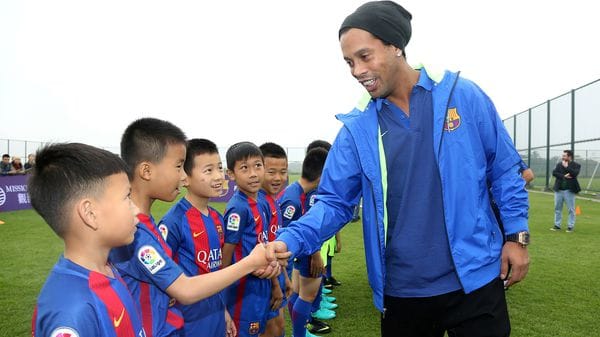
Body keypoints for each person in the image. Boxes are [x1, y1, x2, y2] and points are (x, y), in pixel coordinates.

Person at [268, 2, 530, 336]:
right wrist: (290, 238)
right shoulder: (356, 129)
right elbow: (333, 203)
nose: (356, 70)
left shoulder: (461, 96)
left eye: (365, 56)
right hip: (403, 292)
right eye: (349, 62)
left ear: (396, 47)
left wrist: (517, 237)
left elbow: (505, 170)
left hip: (476, 279)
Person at [110, 119, 284, 337]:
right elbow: (184, 289)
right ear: (146, 170)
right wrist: (251, 263)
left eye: (218, 168)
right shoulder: (134, 231)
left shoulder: (148, 223)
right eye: (178, 166)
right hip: (183, 324)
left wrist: (222, 309)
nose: (183, 177)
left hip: (206, 317)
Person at [30, 143, 146, 337]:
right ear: (90, 213)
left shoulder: (107, 268)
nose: (137, 210)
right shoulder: (72, 312)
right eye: (127, 197)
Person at [158, 139, 235, 337]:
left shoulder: (217, 218)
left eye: (219, 168)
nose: (218, 176)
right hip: (187, 322)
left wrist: (224, 311)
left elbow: (214, 272)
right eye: (208, 170)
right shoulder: (173, 222)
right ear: (185, 177)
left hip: (215, 314)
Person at [221, 141, 277, 337]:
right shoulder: (238, 208)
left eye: (257, 166)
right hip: (242, 291)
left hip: (261, 283)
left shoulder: (261, 201)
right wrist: (221, 298)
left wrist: (275, 282)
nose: (253, 173)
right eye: (244, 168)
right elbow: (226, 255)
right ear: (231, 174)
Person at [279, 147, 331, 337]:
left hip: (303, 253)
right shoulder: (294, 200)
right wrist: (315, 254)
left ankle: (299, 331)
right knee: (306, 295)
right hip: (305, 254)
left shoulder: (297, 192)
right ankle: (299, 333)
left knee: (299, 292)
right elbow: (288, 234)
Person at [258, 142, 291, 337]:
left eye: (283, 172)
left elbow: (275, 246)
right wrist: (275, 285)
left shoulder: (273, 200)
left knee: (279, 327)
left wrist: (285, 277)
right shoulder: (258, 204)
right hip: (266, 282)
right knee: (272, 330)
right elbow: (263, 253)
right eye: (271, 172)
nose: (278, 178)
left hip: (277, 276)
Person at [551, 149, 581, 232]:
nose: (562, 157)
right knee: (557, 208)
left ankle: (570, 226)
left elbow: (575, 174)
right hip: (559, 190)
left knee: (571, 209)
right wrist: (564, 176)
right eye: (562, 155)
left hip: (569, 190)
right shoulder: (559, 164)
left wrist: (566, 167)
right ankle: (557, 225)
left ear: (569, 157)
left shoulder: (576, 165)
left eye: (564, 156)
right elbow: (554, 173)